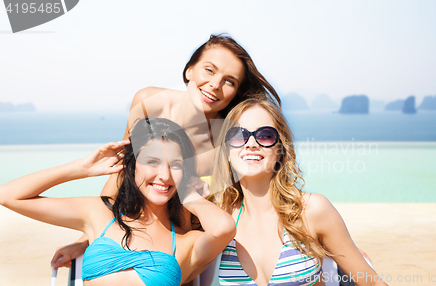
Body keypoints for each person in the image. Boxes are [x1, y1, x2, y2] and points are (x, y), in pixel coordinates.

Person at [51, 33, 280, 269]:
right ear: (189, 70)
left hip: (189, 240)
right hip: (135, 226)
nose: (215, 84)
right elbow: (122, 172)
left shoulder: (228, 137)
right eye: (209, 70)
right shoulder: (149, 102)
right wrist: (86, 239)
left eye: (229, 81)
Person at [0, 118, 236, 285]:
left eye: (175, 165)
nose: (164, 175)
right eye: (152, 162)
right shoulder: (100, 213)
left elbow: (224, 228)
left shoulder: (185, 242)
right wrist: (82, 168)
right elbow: (8, 195)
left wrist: (189, 193)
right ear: (132, 167)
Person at [211, 97, 388, 286]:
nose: (251, 143)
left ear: (280, 150)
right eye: (238, 135)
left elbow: (371, 283)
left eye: (265, 135)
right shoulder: (219, 219)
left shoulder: (311, 211)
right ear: (227, 151)